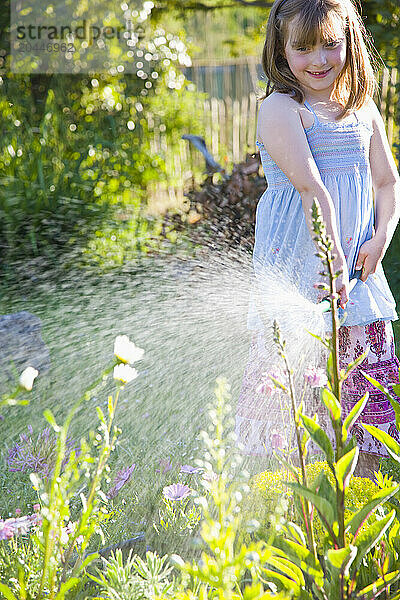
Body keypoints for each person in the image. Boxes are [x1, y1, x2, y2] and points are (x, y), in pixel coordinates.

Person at [235, 0, 400, 478]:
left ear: (349, 38)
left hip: (357, 273)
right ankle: (294, 512)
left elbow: (388, 182)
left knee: (364, 395)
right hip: (301, 273)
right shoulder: (281, 109)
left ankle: (359, 500)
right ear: (281, 50)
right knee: (296, 403)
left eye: (330, 44)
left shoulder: (361, 107)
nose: (319, 59)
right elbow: (312, 188)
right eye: (302, 48)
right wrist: (329, 266)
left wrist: (381, 237)